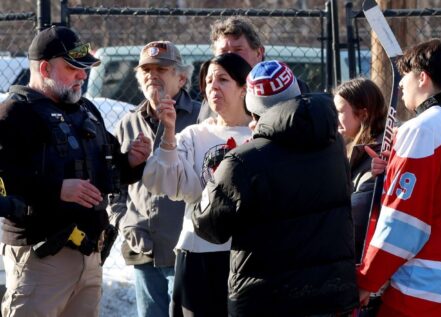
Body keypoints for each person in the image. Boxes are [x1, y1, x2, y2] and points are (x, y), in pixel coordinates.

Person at [0, 26, 151, 317]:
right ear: (44, 68)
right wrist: (56, 188)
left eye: (85, 68)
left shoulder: (86, 111)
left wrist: (131, 160)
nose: (82, 75)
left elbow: (112, 171)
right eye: (72, 68)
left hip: (89, 257)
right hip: (40, 258)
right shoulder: (14, 114)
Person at [192, 60, 358, 317]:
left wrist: (217, 179)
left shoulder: (242, 161)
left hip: (266, 299)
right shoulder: (333, 143)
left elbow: (210, 227)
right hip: (329, 293)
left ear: (253, 107)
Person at [356, 39, 441, 317]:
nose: (401, 84)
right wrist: (393, 172)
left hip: (424, 287)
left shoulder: (420, 130)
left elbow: (404, 223)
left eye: (406, 75)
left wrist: (367, 280)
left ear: (423, 78)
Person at [142, 53, 253, 317]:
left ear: (244, 88)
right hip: (199, 252)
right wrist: (168, 134)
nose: (213, 86)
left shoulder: (260, 134)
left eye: (223, 80)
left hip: (248, 255)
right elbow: (160, 182)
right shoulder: (194, 134)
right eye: (209, 81)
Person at [108, 41, 200, 317]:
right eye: (146, 69)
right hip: (143, 250)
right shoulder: (128, 122)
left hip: (187, 252)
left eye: (162, 68)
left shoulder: (201, 117)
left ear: (181, 77)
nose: (152, 75)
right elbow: (115, 183)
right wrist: (123, 221)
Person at [197, 16, 310, 122]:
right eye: (223, 52)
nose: (230, 57)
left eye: (238, 50)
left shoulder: (285, 87)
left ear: (259, 53)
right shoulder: (212, 98)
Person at [333, 78, 386, 263]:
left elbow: (355, 220)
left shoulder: (377, 156)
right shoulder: (351, 150)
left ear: (363, 114)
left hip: (360, 261)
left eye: (339, 111)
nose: (334, 118)